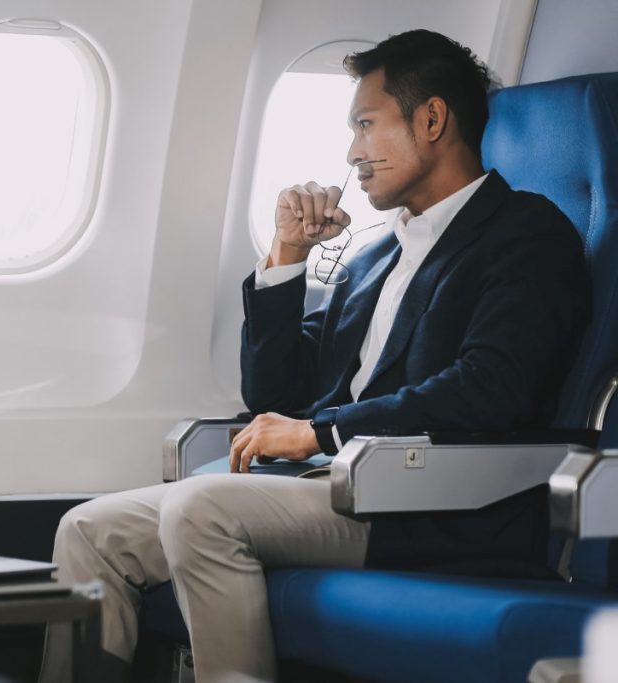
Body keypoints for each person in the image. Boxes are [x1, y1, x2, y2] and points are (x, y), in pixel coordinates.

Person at [41, 29, 591, 683]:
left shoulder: (526, 235)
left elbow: (489, 388)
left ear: (432, 119)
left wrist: (321, 431)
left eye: (366, 124)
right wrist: (286, 256)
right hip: (331, 487)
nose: (352, 152)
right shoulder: (375, 254)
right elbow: (275, 393)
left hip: (433, 504)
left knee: (201, 510)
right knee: (87, 531)